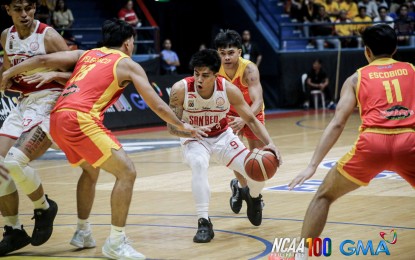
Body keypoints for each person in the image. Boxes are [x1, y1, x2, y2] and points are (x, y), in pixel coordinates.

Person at [2, 18, 208, 259]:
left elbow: (41, 60)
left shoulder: (87, 54)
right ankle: (116, 242)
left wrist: (9, 72)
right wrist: (182, 124)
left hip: (57, 118)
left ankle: (82, 232)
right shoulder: (127, 64)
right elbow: (156, 104)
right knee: (127, 172)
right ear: (129, 43)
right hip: (79, 119)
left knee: (90, 171)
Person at [289, 24, 415, 260]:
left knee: (324, 196)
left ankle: (301, 255)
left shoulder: (356, 78)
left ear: (367, 51)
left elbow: (337, 123)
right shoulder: (412, 70)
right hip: (409, 140)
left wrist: (312, 165)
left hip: (372, 143)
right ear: (396, 48)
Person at [167, 49, 281, 243]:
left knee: (258, 168)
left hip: (222, 136)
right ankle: (203, 221)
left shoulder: (228, 89)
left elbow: (251, 120)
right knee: (198, 164)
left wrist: (270, 143)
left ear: (215, 74)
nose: (199, 79)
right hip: (195, 137)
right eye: (196, 74)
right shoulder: (180, 89)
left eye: (205, 75)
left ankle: (252, 196)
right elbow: (171, 127)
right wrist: (189, 130)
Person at [0, 0, 71, 256]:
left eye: (29, 7)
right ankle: (13, 230)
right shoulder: (6, 36)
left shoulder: (49, 36)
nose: (25, 14)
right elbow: (9, 73)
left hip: (49, 102)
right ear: (7, 9)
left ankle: (43, 207)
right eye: (18, 8)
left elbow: (78, 72)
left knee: (15, 162)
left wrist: (52, 75)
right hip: (23, 103)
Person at [213, 29, 268, 217]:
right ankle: (244, 189)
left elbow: (258, 100)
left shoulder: (249, 69)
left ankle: (252, 190)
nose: (227, 57)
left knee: (257, 159)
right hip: (228, 113)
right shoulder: (213, 70)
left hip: (251, 112)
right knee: (234, 154)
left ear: (239, 51)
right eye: (222, 53)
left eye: (231, 52)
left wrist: (244, 118)